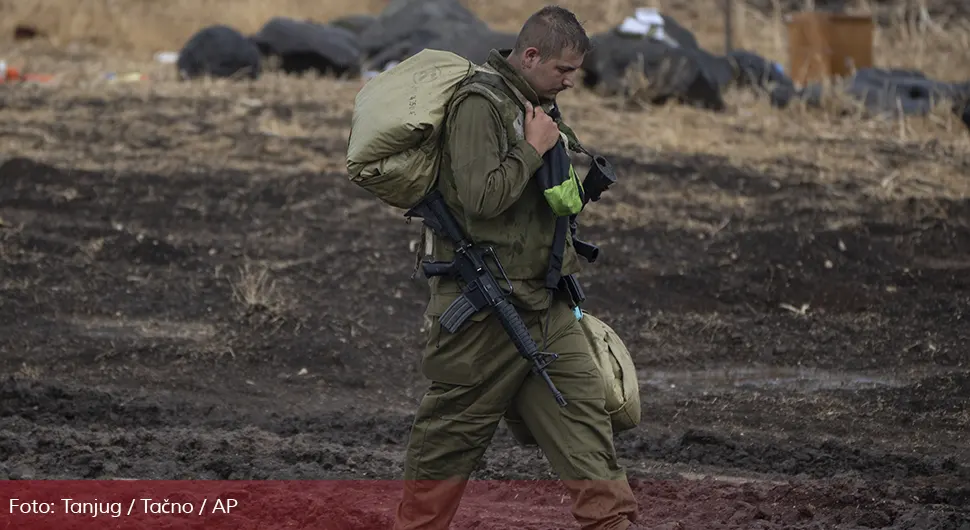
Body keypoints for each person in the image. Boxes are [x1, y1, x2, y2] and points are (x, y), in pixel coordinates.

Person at [393, 5, 643, 530]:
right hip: (484, 312)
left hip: (546, 302)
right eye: (563, 70)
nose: (572, 82)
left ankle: (613, 522)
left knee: (586, 420)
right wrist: (533, 149)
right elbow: (483, 198)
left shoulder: (536, 105)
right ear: (530, 56)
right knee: (449, 442)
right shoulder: (479, 105)